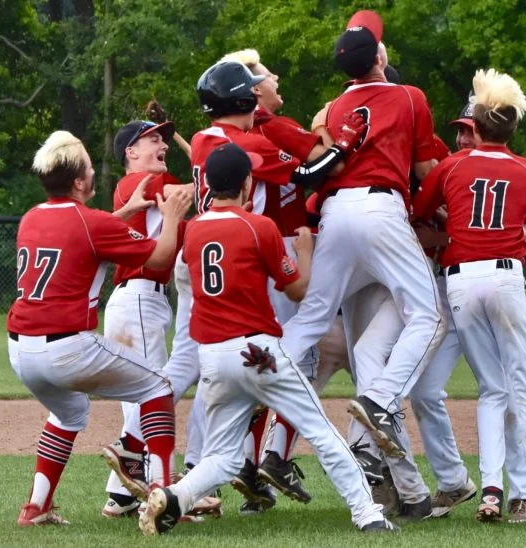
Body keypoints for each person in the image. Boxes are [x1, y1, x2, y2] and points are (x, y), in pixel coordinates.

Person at [138, 142, 393, 535]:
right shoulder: (259, 226)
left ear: (206, 182)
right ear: (247, 184)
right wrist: (306, 252)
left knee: (222, 456)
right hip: (258, 352)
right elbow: (296, 290)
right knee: (321, 431)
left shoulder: (192, 233)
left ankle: (176, 497)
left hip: (213, 357)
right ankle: (368, 514)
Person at [187, 59, 365, 508]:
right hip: (248, 246)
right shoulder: (250, 141)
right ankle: (256, 460)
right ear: (244, 99)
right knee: (284, 360)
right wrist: (343, 142)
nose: (264, 85)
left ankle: (209, 467)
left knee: (206, 370)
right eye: (254, 85)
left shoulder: (203, 140)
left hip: (203, 242)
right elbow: (313, 172)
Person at [278, 9, 445, 461]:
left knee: (313, 315)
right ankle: (381, 400)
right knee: (428, 316)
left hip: (334, 214)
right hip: (382, 209)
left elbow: (321, 146)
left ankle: (266, 375)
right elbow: (426, 169)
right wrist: (442, 210)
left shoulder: (331, 109)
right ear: (380, 56)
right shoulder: (410, 97)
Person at [7, 130, 196, 527]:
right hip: (66, 348)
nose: (94, 173)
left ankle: (35, 507)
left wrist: (127, 212)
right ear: (79, 182)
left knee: (70, 413)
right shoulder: (89, 222)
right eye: (90, 169)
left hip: (20, 351)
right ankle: (164, 497)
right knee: (158, 388)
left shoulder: (31, 217)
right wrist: (174, 217)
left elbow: (80, 232)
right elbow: (160, 260)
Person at [414, 68, 526, 525]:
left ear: (477, 126)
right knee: (525, 391)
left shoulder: (451, 165)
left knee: (492, 390)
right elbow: (525, 218)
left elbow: (418, 211)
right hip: (504, 276)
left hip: (459, 280)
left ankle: (493, 491)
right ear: (512, 126)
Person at [100, 117, 186, 518]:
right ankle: (159, 488)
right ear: (130, 153)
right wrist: (214, 159)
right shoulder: (144, 183)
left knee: (138, 399)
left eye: (163, 139)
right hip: (138, 298)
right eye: (152, 139)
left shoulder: (149, 187)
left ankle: (120, 495)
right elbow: (199, 192)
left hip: (135, 301)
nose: (161, 144)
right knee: (155, 393)